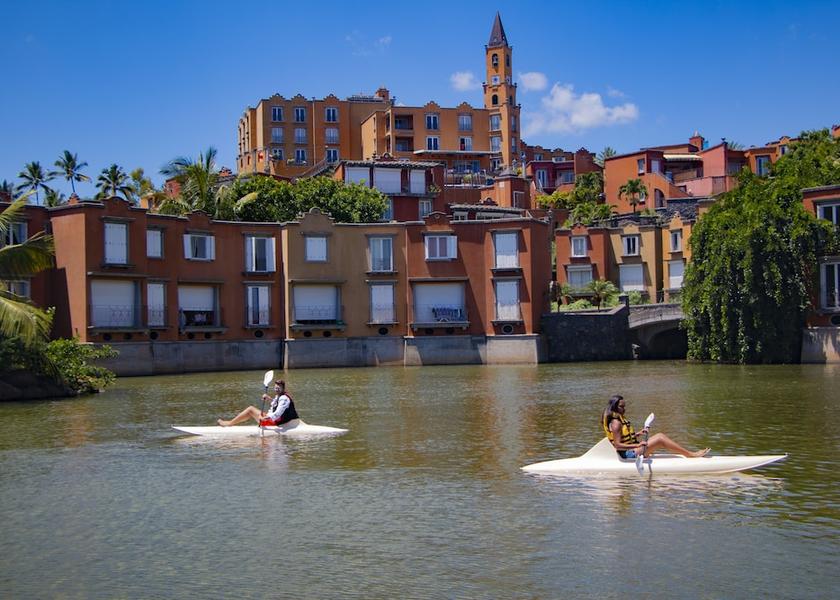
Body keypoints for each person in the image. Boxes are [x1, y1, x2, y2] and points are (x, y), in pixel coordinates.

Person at [601, 394, 710, 459]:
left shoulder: (619, 420)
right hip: (627, 454)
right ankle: (690, 455)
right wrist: (638, 445)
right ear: (615, 407)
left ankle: (687, 453)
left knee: (659, 436)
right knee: (660, 438)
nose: (624, 409)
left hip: (633, 450)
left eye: (624, 407)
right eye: (621, 407)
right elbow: (618, 445)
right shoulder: (616, 423)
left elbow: (624, 437)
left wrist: (637, 434)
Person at [218, 379, 300, 427]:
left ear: (283, 388)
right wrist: (269, 399)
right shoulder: (280, 396)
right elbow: (275, 404)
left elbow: (278, 413)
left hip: (275, 422)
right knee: (251, 411)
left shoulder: (284, 398)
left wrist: (264, 418)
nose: (276, 389)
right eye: (275, 388)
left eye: (278, 388)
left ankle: (229, 423)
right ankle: (232, 423)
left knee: (250, 409)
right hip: (276, 420)